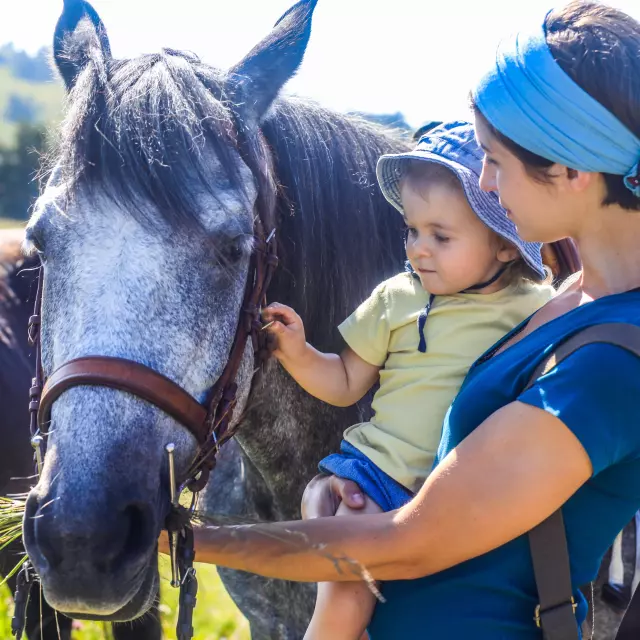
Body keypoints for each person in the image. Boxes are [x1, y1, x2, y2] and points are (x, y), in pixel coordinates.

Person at [159, 3, 640, 638]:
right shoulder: (574, 297)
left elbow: (410, 541)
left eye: (495, 161)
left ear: (573, 172)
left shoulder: (612, 361)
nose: (486, 185)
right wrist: (329, 495)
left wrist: (188, 540)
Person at [260, 121, 553, 640]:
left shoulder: (532, 309)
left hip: (464, 491)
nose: (419, 248)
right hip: (378, 475)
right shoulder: (396, 299)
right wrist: (300, 353)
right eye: (412, 230)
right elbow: (347, 381)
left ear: (506, 245)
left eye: (441, 236)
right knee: (348, 583)